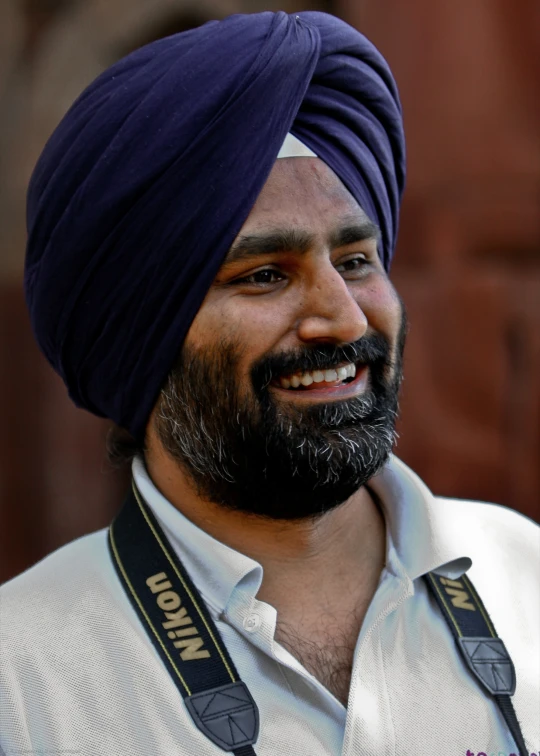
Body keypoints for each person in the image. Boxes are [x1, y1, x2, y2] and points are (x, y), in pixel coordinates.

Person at [0, 10, 538, 756]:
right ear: (141, 333)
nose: (344, 320)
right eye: (263, 275)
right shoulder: (23, 680)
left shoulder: (526, 580)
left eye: (356, 261)